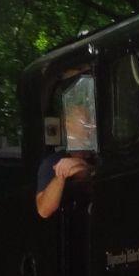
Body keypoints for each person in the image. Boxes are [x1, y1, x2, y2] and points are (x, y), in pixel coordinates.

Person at [36, 86, 96, 219]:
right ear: (68, 125)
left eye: (92, 123)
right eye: (85, 123)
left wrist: (83, 167)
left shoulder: (98, 156)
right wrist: (61, 176)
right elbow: (44, 210)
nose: (91, 127)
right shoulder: (53, 162)